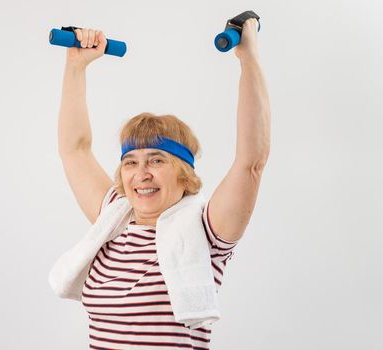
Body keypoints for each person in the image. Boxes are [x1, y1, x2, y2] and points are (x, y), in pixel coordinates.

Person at [55, 19, 270, 348]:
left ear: (184, 173)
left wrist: (248, 56)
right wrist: (76, 66)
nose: (141, 173)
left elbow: (251, 162)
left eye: (156, 160)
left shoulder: (204, 230)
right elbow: (74, 150)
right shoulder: (113, 217)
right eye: (131, 162)